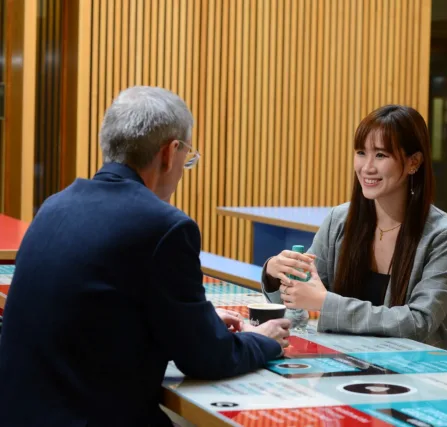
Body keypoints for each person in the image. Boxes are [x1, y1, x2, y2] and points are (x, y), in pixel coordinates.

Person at [0, 86, 290, 427]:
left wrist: (201, 323)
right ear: (170, 153)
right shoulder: (165, 226)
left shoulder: (55, 206)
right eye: (188, 158)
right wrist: (262, 340)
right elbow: (208, 359)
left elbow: (104, 319)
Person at [262, 104, 447, 352]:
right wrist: (275, 274)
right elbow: (298, 303)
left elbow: (418, 322)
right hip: (342, 366)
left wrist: (326, 303)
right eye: (361, 152)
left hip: (416, 372)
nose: (367, 167)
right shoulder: (340, 220)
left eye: (381, 155)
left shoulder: (444, 235)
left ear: (414, 162)